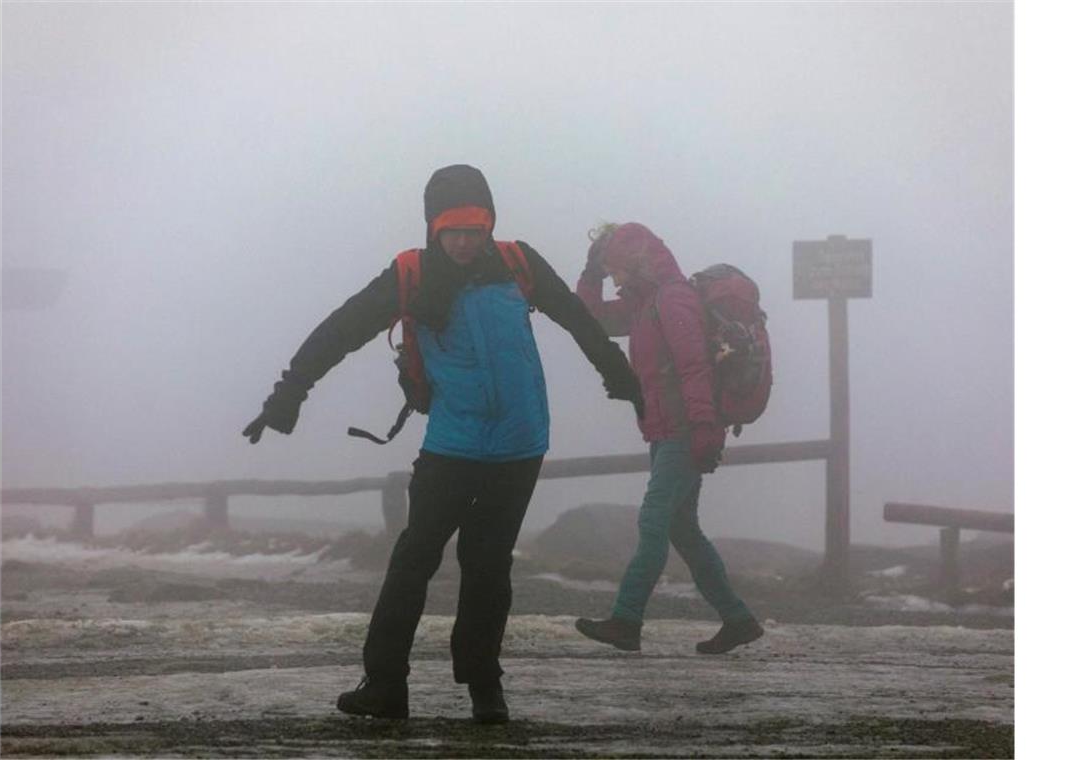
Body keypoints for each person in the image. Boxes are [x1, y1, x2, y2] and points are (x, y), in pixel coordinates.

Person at [242, 165, 643, 723]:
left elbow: (578, 320)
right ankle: (385, 686)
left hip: (520, 444)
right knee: (414, 560)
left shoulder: (518, 263)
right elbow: (339, 330)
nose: (462, 241)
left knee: (487, 565)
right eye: (451, 229)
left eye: (474, 229)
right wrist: (290, 393)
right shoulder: (409, 275)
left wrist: (621, 378)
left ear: (490, 225)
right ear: (433, 227)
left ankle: (485, 688)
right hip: (452, 443)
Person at [572, 222, 763, 655]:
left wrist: (702, 429)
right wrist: (591, 276)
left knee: (654, 520)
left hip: (684, 431)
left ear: (637, 264)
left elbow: (695, 368)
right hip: (667, 431)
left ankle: (626, 620)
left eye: (616, 270)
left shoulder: (672, 300)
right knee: (683, 530)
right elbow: (590, 320)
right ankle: (738, 620)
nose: (615, 280)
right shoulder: (644, 306)